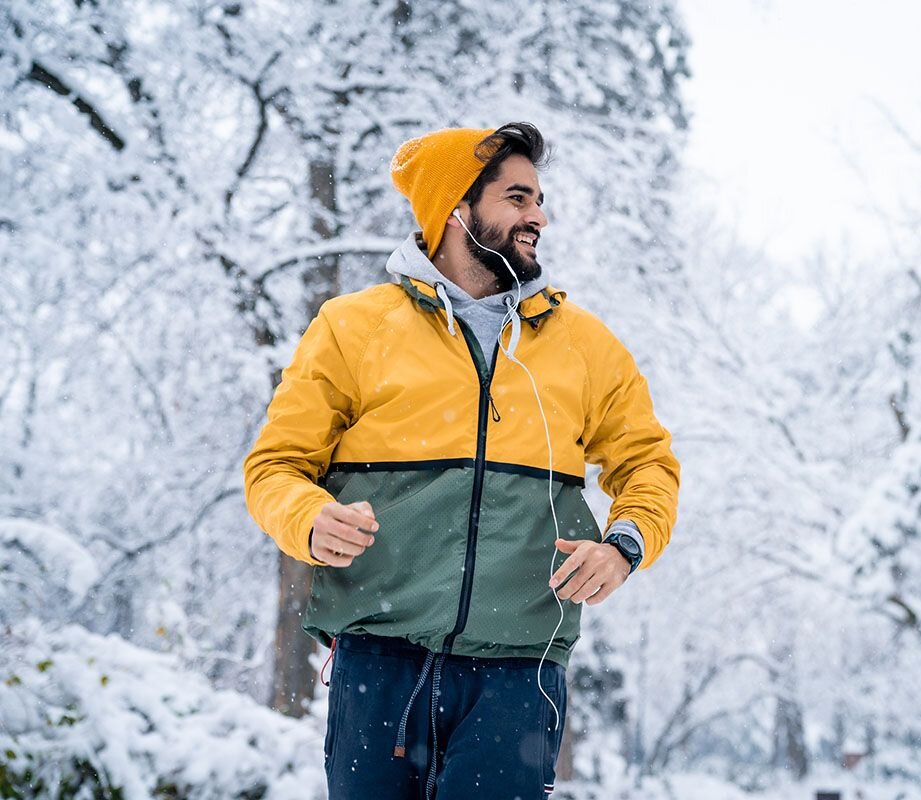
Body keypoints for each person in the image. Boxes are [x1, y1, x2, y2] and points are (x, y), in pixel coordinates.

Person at [243, 122, 680, 799]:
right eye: (516, 198)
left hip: (519, 673)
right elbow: (274, 466)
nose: (537, 215)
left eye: (538, 199)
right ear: (456, 209)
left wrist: (623, 545)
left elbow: (648, 463)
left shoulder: (584, 346)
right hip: (379, 662)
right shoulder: (352, 328)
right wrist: (308, 518)